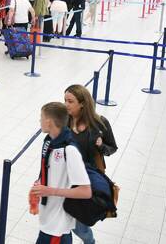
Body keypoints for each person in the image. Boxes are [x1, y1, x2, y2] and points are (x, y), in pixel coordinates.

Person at [63, 85, 118, 244]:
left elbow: (112, 148)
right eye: (65, 100)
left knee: (80, 225)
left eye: (70, 101)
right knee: (64, 220)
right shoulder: (65, 121)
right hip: (67, 177)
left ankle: (90, 242)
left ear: (82, 103)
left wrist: (101, 146)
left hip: (88, 181)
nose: (66, 104)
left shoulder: (100, 123)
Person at [30, 102, 92, 244]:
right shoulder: (49, 142)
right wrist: (40, 184)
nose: (39, 121)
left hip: (56, 225)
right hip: (50, 221)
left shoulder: (70, 150)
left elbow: (85, 191)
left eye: (41, 117)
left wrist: (50, 190)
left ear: (48, 121)